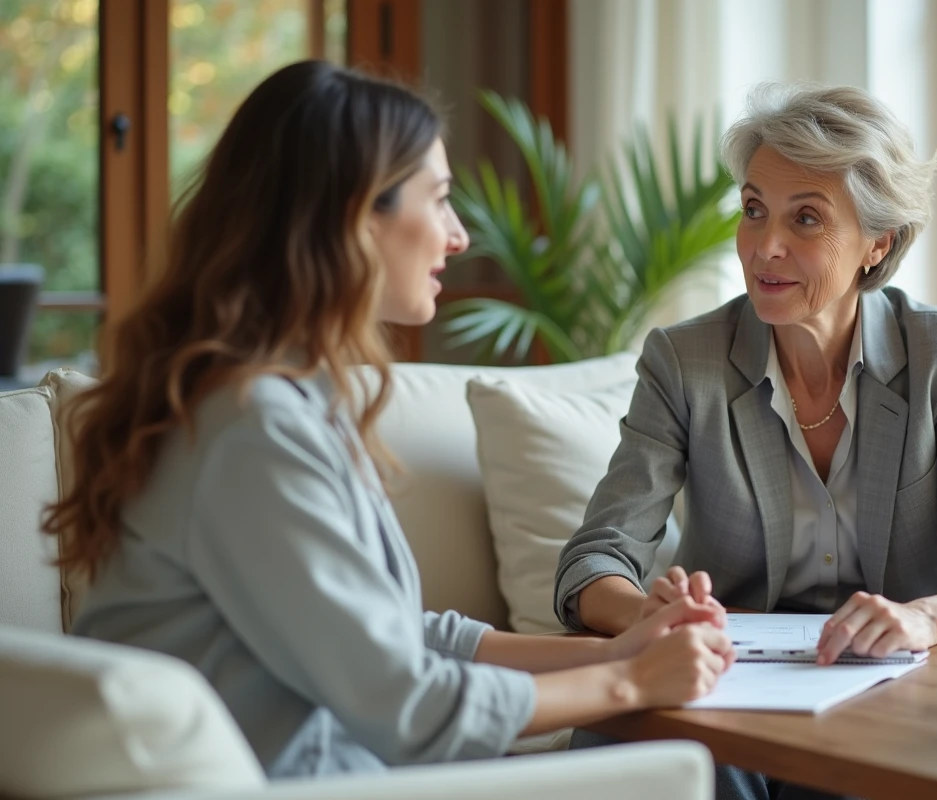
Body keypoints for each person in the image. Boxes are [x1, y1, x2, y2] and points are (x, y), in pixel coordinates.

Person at [42, 60, 734, 778]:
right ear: (353, 215)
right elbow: (409, 707)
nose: (458, 236)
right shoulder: (253, 431)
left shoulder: (276, 405)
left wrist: (621, 649)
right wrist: (628, 684)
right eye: (437, 200)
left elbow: (404, 638)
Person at [555, 83, 937, 798]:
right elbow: (592, 562)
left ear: (876, 245)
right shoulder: (683, 361)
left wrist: (922, 619)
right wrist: (657, 619)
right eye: (754, 209)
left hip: (891, 690)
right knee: (635, 743)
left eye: (807, 218)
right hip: (727, 687)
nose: (765, 246)